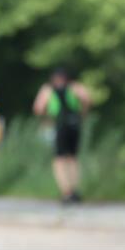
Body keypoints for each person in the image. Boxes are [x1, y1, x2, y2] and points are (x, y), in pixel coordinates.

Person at [33, 67, 91, 204]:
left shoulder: (48, 89)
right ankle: (75, 190)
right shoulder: (75, 87)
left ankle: (66, 192)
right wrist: (82, 113)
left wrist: (46, 118)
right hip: (75, 125)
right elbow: (87, 99)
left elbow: (38, 108)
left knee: (59, 160)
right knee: (72, 158)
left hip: (59, 125)